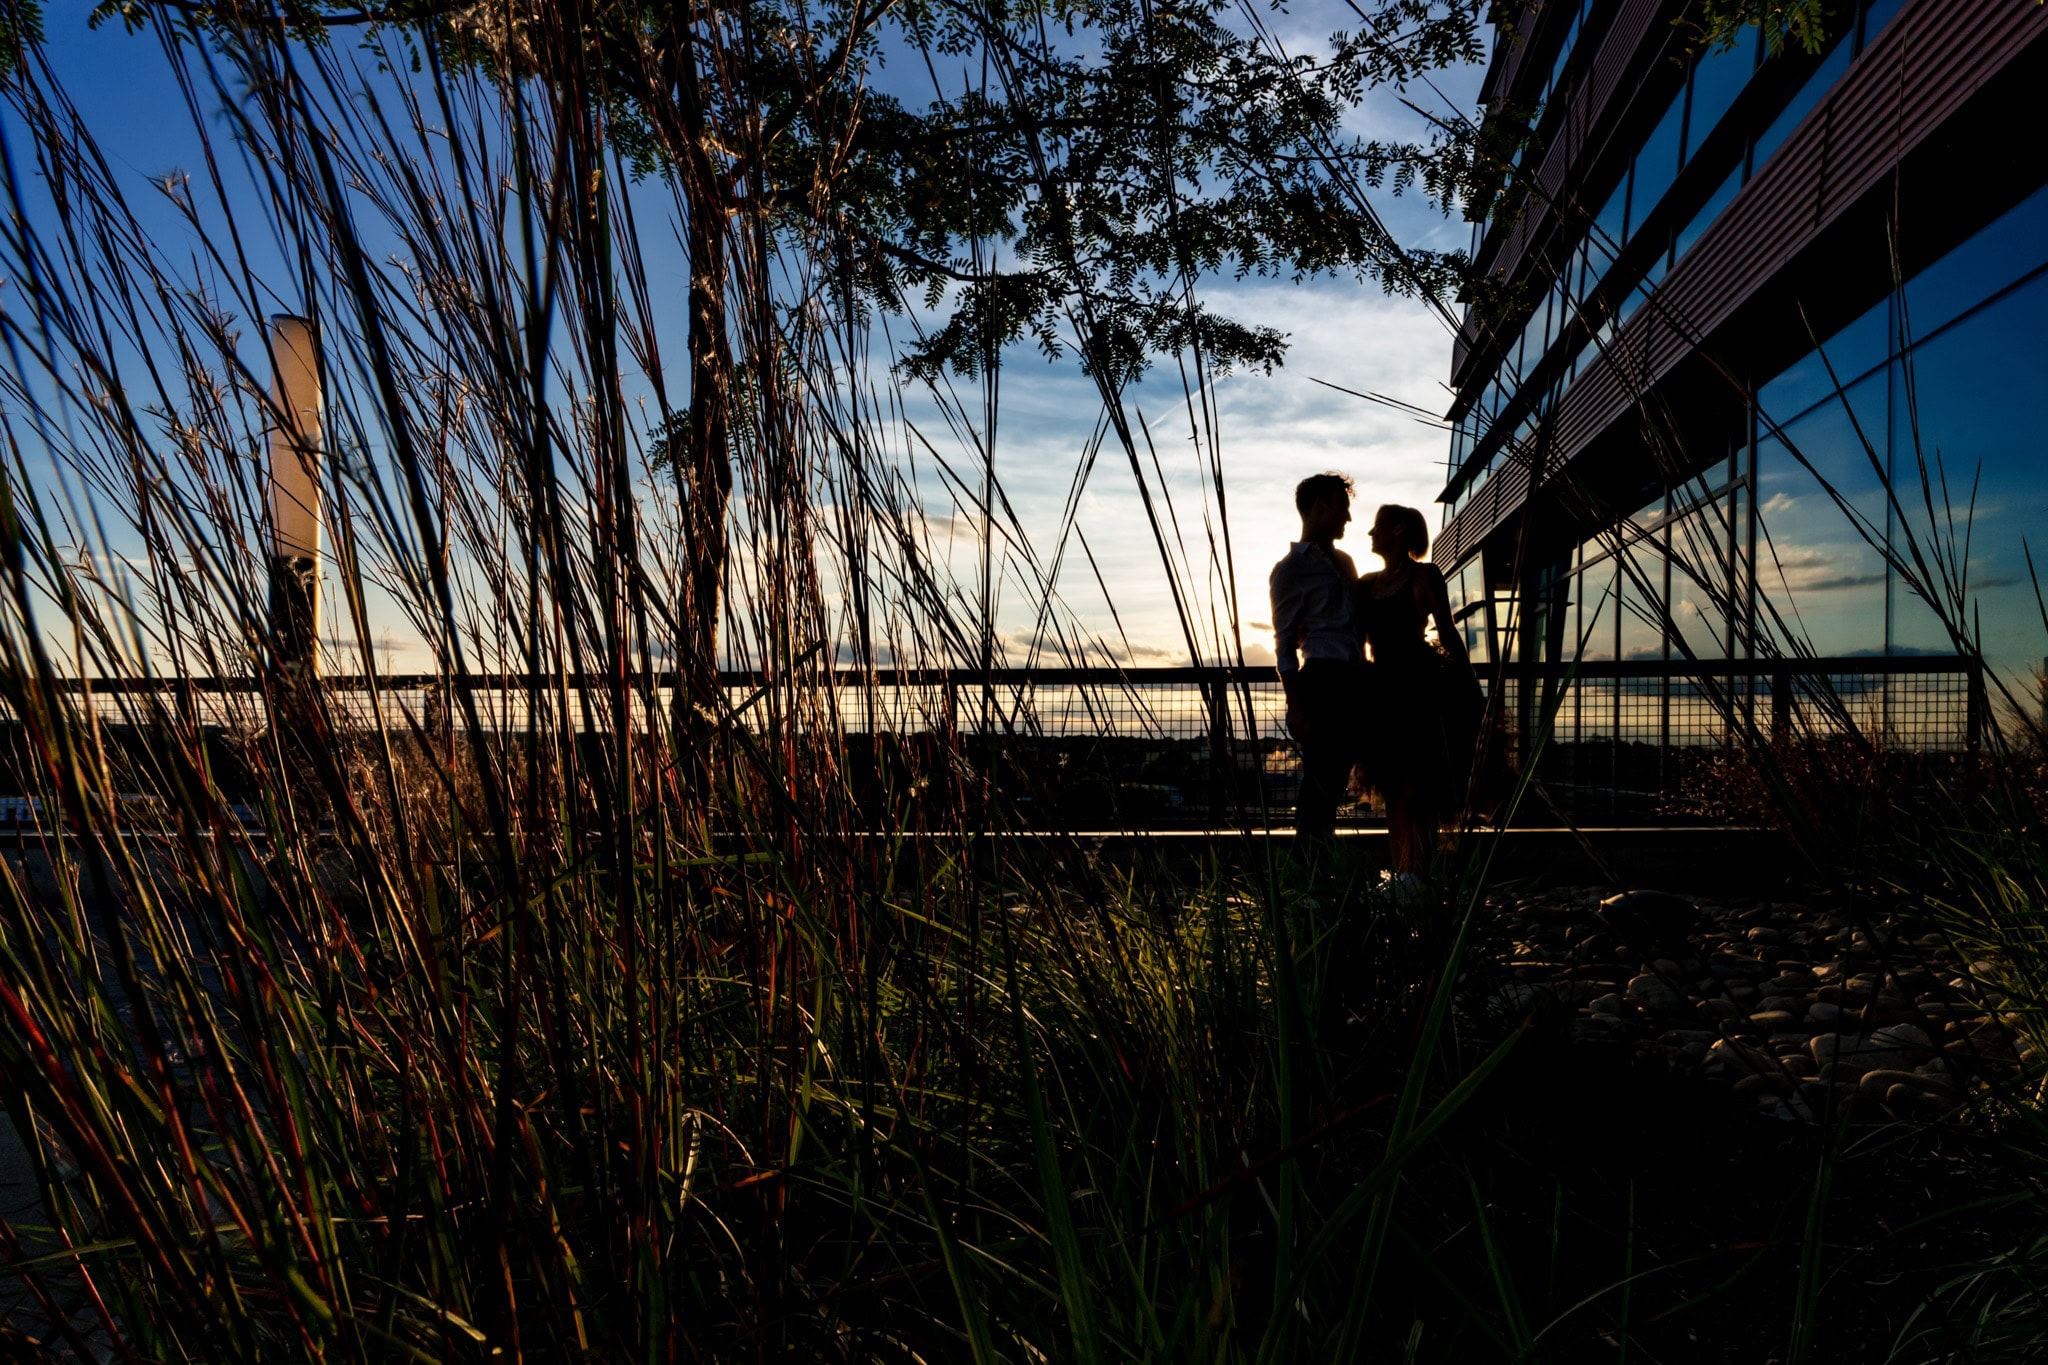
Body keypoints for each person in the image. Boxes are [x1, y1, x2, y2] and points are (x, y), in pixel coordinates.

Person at [1353, 504, 1480, 878]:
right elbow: (1358, 643)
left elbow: (1447, 630)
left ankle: (1418, 876)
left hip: (1420, 688)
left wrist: (1469, 685)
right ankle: (1403, 875)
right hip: (1383, 691)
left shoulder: (1424, 575)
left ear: (1399, 530)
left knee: (1418, 787)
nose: (1371, 533)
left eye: (1378, 527)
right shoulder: (1365, 584)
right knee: (1393, 788)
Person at [1270, 472, 1364, 843]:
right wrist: (1297, 704)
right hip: (1322, 679)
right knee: (1322, 780)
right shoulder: (1290, 569)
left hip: (1353, 676)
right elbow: (1284, 644)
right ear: (1320, 506)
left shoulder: (1345, 562)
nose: (1348, 518)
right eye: (1342, 508)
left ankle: (1316, 868)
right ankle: (1310, 866)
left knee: (1337, 776)